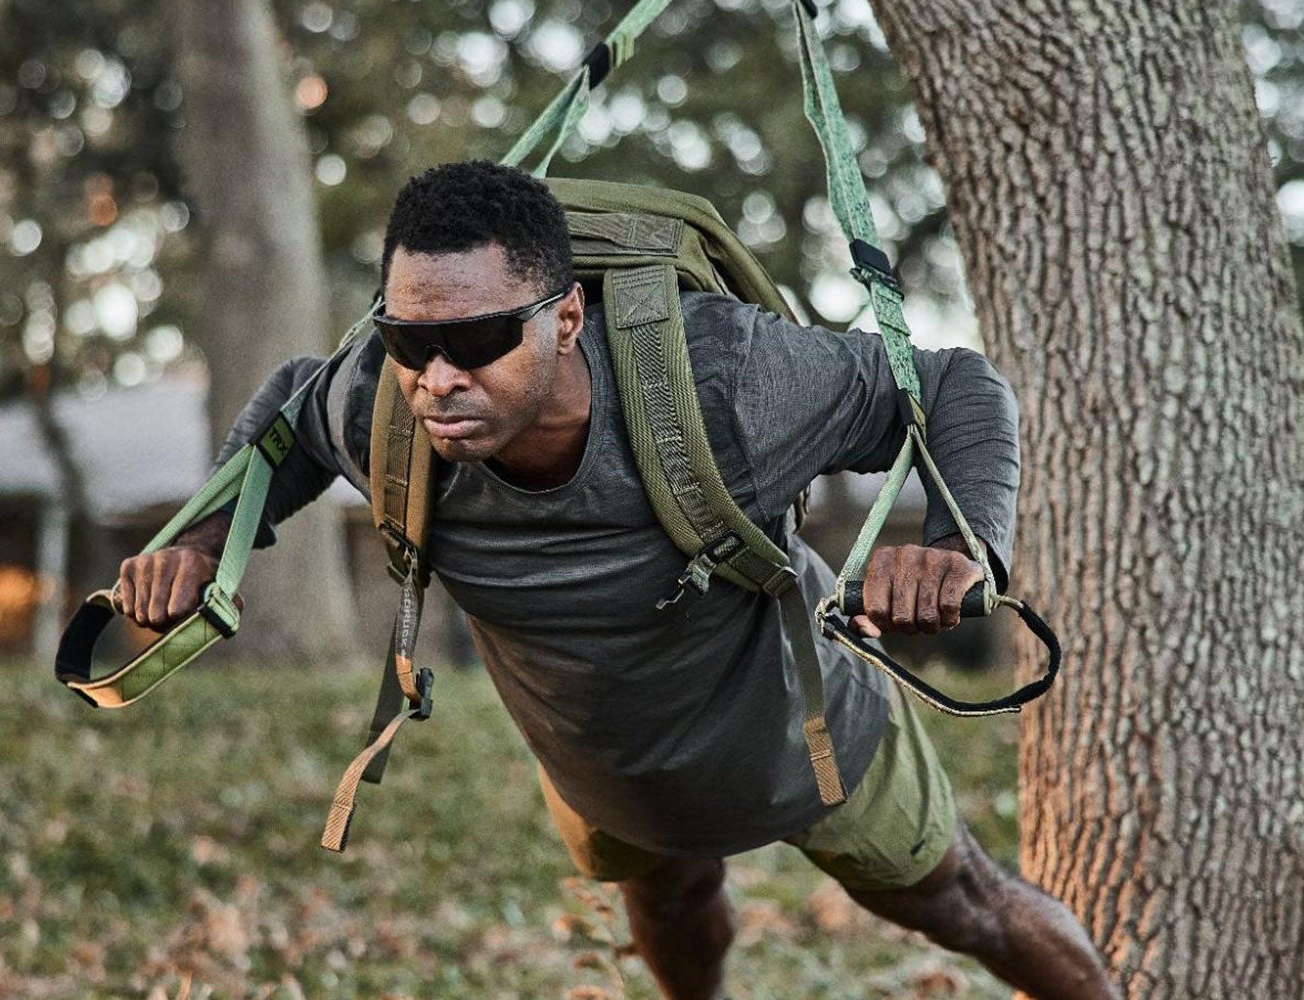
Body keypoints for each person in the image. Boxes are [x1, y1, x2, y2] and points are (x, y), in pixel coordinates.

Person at [112, 160, 1117, 1000]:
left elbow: (949, 386)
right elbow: (291, 411)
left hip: (794, 729)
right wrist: (200, 541)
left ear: (564, 318)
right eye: (410, 341)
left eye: (475, 340)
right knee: (669, 899)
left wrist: (956, 542)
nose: (437, 377)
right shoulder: (379, 404)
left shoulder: (728, 385)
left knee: (961, 903)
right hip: (607, 765)